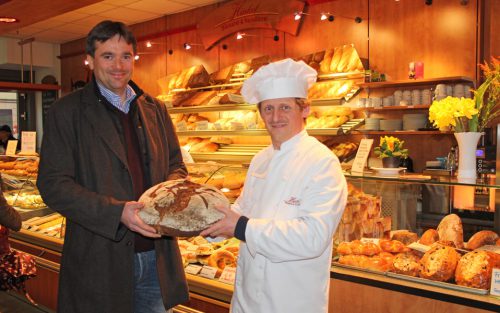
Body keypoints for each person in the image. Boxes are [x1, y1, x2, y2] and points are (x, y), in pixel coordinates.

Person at [37, 20, 188, 313]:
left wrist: (169, 195)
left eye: (126, 56)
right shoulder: (66, 112)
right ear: (90, 60)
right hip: (99, 260)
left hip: (158, 258)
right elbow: (53, 184)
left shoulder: (155, 108)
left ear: (134, 58)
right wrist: (117, 212)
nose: (118, 65)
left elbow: (175, 164)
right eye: (108, 56)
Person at [201, 58, 348, 313]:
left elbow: (312, 238)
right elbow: (241, 210)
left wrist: (240, 227)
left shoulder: (323, 163)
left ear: (305, 109)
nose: (276, 117)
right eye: (268, 109)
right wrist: (210, 223)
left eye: (285, 108)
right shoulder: (260, 160)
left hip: (291, 301)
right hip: (247, 299)